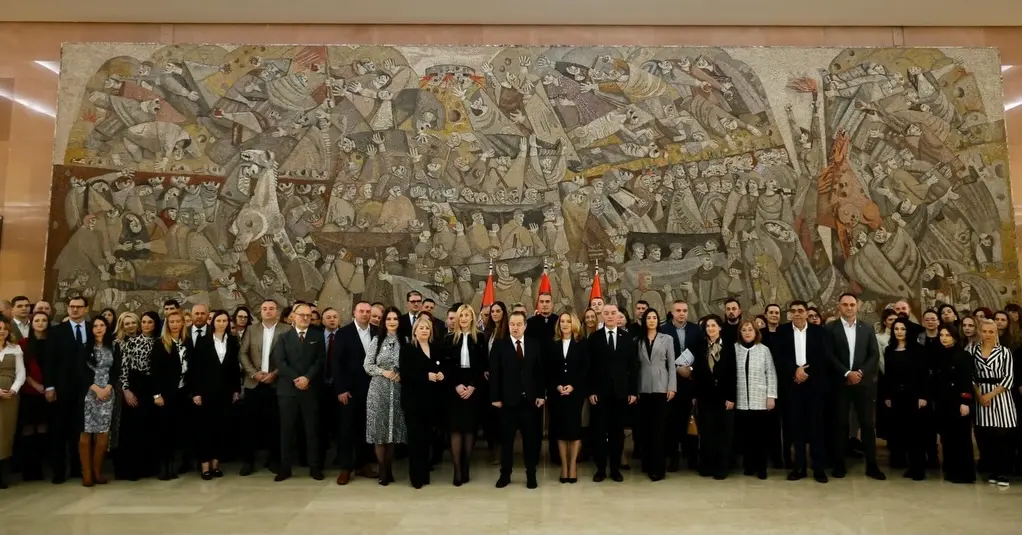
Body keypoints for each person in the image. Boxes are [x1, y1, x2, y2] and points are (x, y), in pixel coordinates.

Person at [825, 293, 886, 480]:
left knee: (867, 425)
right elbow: (828, 354)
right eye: (845, 304)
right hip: (840, 383)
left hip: (862, 383)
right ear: (839, 307)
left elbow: (874, 355)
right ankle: (839, 465)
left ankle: (872, 466)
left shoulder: (866, 328)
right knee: (840, 424)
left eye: (852, 304)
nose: (849, 308)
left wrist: (860, 373)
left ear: (857, 306)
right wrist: (846, 373)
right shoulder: (830, 328)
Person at [773, 301, 830, 483]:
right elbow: (778, 357)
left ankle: (818, 468)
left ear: (806, 313)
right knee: (796, 428)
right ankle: (799, 467)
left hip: (814, 386)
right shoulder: (782, 331)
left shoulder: (819, 332)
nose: (796, 314)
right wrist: (794, 371)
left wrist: (805, 373)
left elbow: (823, 357)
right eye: (793, 311)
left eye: (800, 311)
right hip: (792, 385)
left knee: (816, 428)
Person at [491, 310, 545, 489]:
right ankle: (505, 474)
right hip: (507, 402)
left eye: (519, 324)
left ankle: (531, 474)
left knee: (530, 441)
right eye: (512, 324)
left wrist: (540, 394)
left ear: (525, 326)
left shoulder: (534, 344)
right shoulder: (500, 345)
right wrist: (495, 397)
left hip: (529, 402)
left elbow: (539, 372)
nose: (515, 327)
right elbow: (495, 373)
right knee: (507, 441)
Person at [272, 303, 325, 482]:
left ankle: (315, 467)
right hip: (288, 390)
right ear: (293, 316)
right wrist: (297, 379)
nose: (305, 318)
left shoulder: (318, 336)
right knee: (287, 430)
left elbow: (320, 360)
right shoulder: (284, 337)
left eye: (308, 315)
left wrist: (307, 378)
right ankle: (285, 468)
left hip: (310, 389)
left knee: (312, 430)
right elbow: (280, 362)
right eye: (302, 315)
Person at [238, 299, 289, 476]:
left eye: (271, 308)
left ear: (277, 311)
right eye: (264, 308)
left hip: (276, 383)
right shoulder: (251, 330)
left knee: (275, 424)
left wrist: (274, 373)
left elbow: (288, 356)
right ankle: (248, 461)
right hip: (254, 384)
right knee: (249, 425)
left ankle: (274, 460)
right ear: (260, 311)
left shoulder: (286, 330)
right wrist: (254, 373)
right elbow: (243, 353)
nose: (268, 311)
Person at [45, 295, 92, 484]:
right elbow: (49, 360)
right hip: (62, 388)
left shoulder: (93, 329)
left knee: (79, 430)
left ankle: (76, 468)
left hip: (86, 389)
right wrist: (49, 386)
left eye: (79, 307)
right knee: (59, 430)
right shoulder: (57, 331)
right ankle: (59, 471)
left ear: (86, 309)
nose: (75, 310)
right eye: (72, 306)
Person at [588, 304, 638, 482]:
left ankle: (615, 469)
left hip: (621, 393)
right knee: (599, 432)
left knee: (617, 433)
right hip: (600, 393)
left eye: (613, 313)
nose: (610, 316)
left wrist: (633, 391)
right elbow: (590, 367)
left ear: (618, 316)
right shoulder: (594, 338)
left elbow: (633, 366)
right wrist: (591, 390)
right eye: (606, 313)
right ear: (602, 316)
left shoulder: (627, 337)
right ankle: (601, 469)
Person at [189, 310, 240, 480]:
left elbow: (234, 368)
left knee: (221, 428)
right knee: (206, 429)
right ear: (213, 322)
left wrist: (236, 390)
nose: (222, 323)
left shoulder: (232, 341)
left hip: (225, 392)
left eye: (225, 320)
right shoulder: (203, 341)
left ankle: (216, 465)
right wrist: (196, 392)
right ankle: (205, 467)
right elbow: (196, 368)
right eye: (219, 320)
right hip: (206, 392)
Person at [330, 302, 378, 485]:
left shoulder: (377, 332)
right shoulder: (344, 333)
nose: (365, 314)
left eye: (368, 311)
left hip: (372, 389)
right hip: (349, 391)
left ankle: (363, 464)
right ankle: (346, 467)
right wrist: (341, 389)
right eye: (361, 311)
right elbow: (336, 363)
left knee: (366, 428)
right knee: (347, 429)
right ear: (354, 313)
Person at [442, 304, 487, 486]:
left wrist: (473, 386)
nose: (464, 319)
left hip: (473, 386)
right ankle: (457, 469)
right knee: (455, 429)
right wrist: (456, 385)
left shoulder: (480, 337)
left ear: (472, 318)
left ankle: (466, 465)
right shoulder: (449, 338)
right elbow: (445, 365)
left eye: (467, 315)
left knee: (469, 429)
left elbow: (483, 365)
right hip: (455, 387)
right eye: (461, 316)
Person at [880, 318, 929, 480]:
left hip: (914, 395)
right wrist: (887, 395)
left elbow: (923, 375)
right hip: (896, 396)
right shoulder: (889, 350)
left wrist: (923, 395)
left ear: (908, 331)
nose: (899, 332)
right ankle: (909, 465)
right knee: (902, 432)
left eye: (902, 329)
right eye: (896, 329)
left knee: (916, 433)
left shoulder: (918, 350)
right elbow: (888, 375)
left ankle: (918, 468)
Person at [971, 319, 1016, 487]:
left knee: (1002, 436)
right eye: (985, 331)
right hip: (981, 395)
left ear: (996, 333)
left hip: (1001, 395)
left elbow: (1009, 377)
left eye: (991, 331)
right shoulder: (973, 350)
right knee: (987, 436)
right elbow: (971, 375)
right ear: (979, 332)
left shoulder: (1004, 352)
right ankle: (992, 470)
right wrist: (979, 395)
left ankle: (1003, 472)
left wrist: (991, 394)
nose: (988, 334)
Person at [365, 307, 407, 485]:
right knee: (379, 431)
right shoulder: (377, 340)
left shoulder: (405, 340)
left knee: (393, 431)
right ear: (384, 322)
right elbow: (368, 365)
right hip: (378, 389)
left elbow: (410, 364)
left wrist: (402, 374)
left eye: (395, 319)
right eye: (388, 319)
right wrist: (383, 372)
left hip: (397, 390)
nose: (392, 322)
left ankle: (389, 468)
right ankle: (382, 469)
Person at [400, 316, 443, 489]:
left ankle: (424, 474)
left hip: (431, 402)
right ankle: (416, 477)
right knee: (416, 440)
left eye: (427, 328)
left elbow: (441, 366)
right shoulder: (408, 349)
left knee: (426, 439)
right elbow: (405, 375)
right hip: (413, 402)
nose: (424, 331)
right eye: (421, 328)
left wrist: (441, 374)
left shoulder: (435, 348)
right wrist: (426, 376)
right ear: (415, 331)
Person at [692, 315, 736, 480]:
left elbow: (733, 372)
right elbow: (696, 372)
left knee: (722, 432)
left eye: (713, 325)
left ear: (720, 327)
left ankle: (721, 467)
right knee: (707, 431)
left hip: (724, 396)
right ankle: (706, 466)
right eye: (707, 326)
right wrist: (695, 395)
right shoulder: (700, 346)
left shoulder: (729, 346)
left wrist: (731, 397)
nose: (710, 328)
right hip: (705, 395)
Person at [116, 310, 158, 481]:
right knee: (132, 428)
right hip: (134, 386)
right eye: (144, 322)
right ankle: (130, 469)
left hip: (151, 387)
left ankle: (147, 467)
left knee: (148, 427)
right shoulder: (130, 343)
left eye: (150, 322)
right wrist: (126, 390)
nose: (146, 325)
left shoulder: (158, 342)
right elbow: (123, 369)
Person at [546, 311, 588, 484]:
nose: (564, 324)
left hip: (575, 393)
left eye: (568, 321)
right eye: (562, 321)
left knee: (574, 430)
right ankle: (564, 466)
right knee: (560, 430)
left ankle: (572, 466)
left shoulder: (582, 344)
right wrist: (557, 386)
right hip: (557, 394)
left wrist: (573, 385)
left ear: (574, 324)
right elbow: (547, 369)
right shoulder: (552, 343)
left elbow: (585, 368)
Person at [635, 308, 676, 481]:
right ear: (644, 321)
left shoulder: (667, 339)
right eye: (648, 318)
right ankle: (647, 464)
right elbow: (636, 365)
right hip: (643, 387)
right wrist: (635, 390)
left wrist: (672, 387)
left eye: (654, 317)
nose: (651, 320)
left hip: (661, 386)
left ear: (658, 321)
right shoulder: (637, 340)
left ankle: (658, 469)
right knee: (646, 428)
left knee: (659, 429)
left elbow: (672, 365)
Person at [660, 300, 701, 472]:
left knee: (690, 419)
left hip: (690, 382)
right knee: (672, 423)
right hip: (670, 383)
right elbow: (660, 356)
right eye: (678, 310)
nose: (682, 313)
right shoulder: (663, 330)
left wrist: (690, 369)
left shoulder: (696, 330)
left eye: (684, 310)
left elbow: (701, 353)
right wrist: (677, 369)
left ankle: (692, 458)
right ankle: (673, 458)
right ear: (672, 312)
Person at [734, 319, 778, 479]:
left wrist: (771, 396)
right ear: (740, 333)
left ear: (756, 332)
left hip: (759, 399)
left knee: (760, 436)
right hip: (741, 399)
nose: (747, 332)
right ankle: (748, 465)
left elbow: (771, 373)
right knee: (745, 436)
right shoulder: (735, 349)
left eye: (750, 330)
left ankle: (761, 467)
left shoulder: (764, 350)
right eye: (744, 330)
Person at [151, 310, 190, 481]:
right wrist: (156, 394)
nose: (174, 324)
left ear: (182, 323)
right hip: (165, 394)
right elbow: (155, 371)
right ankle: (164, 468)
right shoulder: (160, 344)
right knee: (164, 431)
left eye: (177, 321)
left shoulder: (187, 342)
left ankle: (175, 467)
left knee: (177, 430)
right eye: (171, 322)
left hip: (183, 393)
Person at [933, 325, 976, 483]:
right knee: (947, 437)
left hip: (958, 401)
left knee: (961, 438)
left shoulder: (963, 355)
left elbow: (966, 380)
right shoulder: (939, 354)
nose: (944, 338)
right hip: (943, 401)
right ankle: (950, 470)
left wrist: (965, 402)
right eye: (941, 335)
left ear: (955, 336)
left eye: (947, 335)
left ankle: (964, 473)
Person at [80, 316, 117, 487]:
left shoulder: (114, 346)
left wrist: (108, 387)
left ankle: (97, 471)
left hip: (108, 392)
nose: (99, 328)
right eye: (95, 326)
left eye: (102, 325)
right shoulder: (84, 347)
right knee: (86, 432)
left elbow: (116, 369)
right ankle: (86, 472)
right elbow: (80, 371)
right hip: (89, 392)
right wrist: (96, 389)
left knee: (103, 433)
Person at [17, 312, 49, 482]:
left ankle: (40, 468)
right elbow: (21, 368)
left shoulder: (52, 342)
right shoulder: (23, 343)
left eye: (44, 320)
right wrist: (35, 385)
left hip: (48, 391)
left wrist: (49, 386)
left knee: (44, 428)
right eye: (37, 320)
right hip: (30, 391)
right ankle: (28, 469)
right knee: (28, 428)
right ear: (32, 323)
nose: (40, 323)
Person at [0, 318, 25, 489]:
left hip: (10, 397)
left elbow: (21, 373)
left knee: (5, 434)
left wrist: (13, 390)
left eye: (4, 328)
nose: (1, 331)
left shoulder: (15, 348)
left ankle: (2, 475)